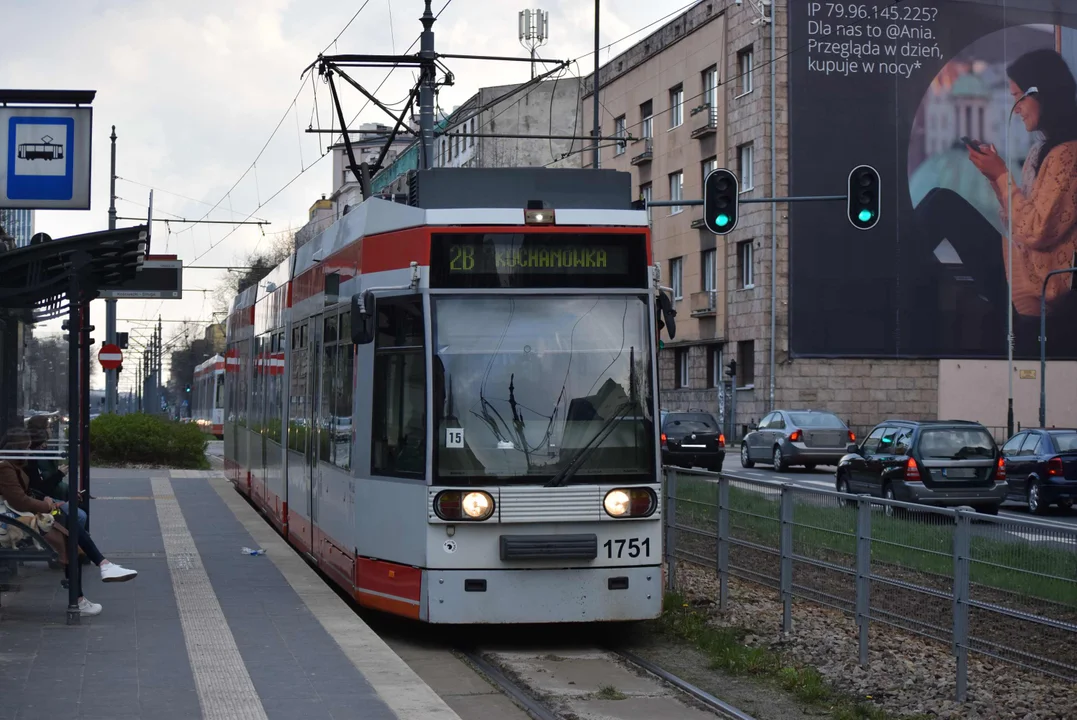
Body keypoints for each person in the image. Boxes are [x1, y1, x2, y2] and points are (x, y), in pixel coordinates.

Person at [915, 49, 1077, 353]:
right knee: (940, 201)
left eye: (1019, 97)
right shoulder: (1039, 153)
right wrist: (995, 177)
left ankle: (893, 267)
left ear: (1043, 93)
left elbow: (1036, 231)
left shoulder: (1068, 154)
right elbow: (1018, 223)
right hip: (1019, 271)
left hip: (1033, 287)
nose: (1016, 109)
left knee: (942, 206)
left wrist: (1002, 174)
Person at [0, 428, 137, 616]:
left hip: (24, 513)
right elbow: (18, 500)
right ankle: (98, 573)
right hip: (15, 518)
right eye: (26, 448)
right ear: (18, 447)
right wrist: (46, 505)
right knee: (70, 533)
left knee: (70, 527)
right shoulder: (5, 467)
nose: (28, 451)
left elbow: (24, 496)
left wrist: (47, 502)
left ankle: (99, 571)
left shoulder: (12, 465)